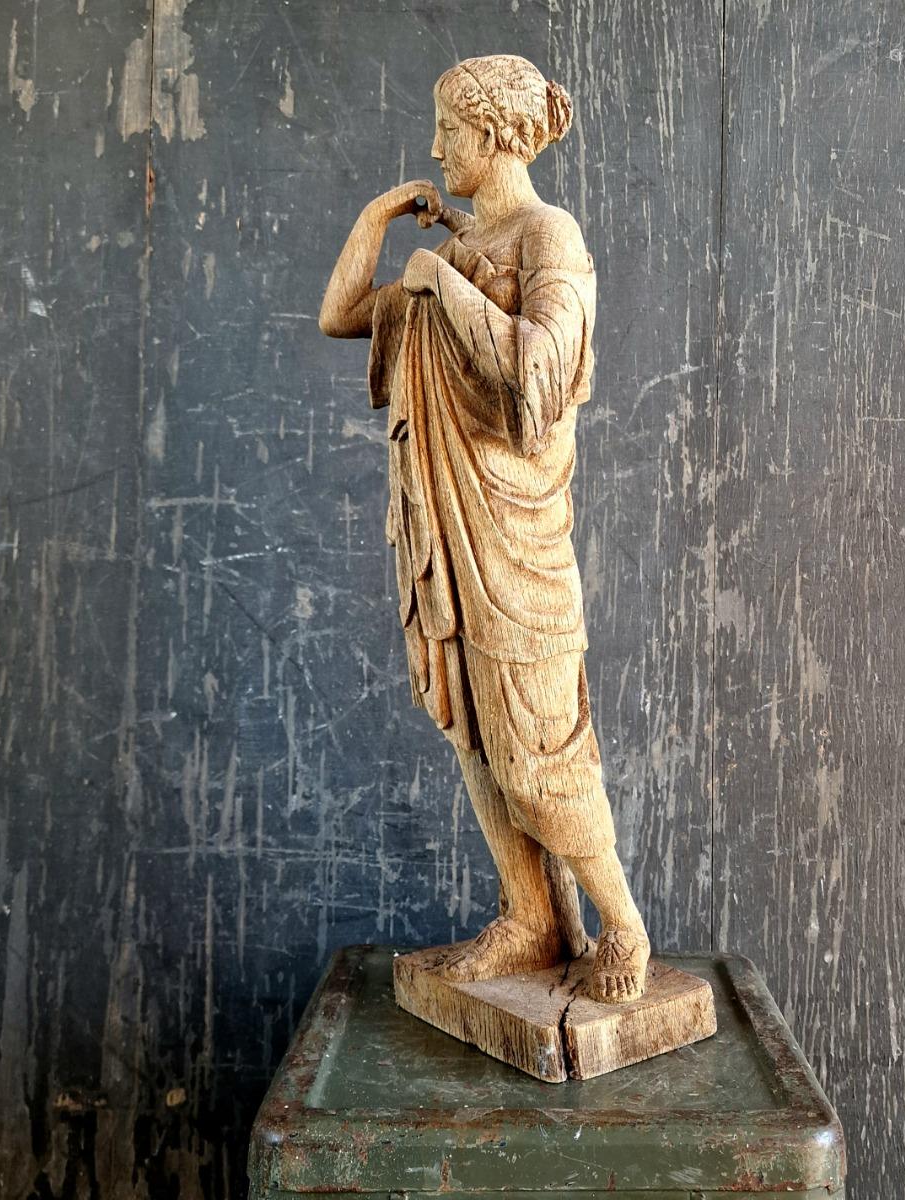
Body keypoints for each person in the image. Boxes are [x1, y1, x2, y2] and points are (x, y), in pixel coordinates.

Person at [319, 54, 649, 1002]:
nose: (436, 148)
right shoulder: (461, 246)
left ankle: (623, 927)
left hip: (516, 538)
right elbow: (341, 313)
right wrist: (383, 217)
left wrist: (437, 276)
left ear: (497, 134)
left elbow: (541, 368)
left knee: (538, 754)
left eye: (449, 130)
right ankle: (533, 916)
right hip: (448, 531)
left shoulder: (549, 236)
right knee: (473, 728)